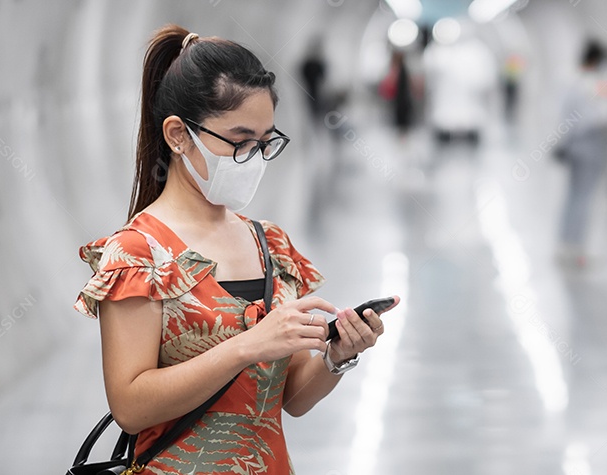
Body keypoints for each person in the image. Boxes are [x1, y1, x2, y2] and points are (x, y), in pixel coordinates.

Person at [72, 25, 398, 473]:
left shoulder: (270, 245)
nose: (256, 158)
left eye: (266, 142)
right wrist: (248, 346)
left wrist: (337, 356)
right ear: (178, 135)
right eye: (240, 142)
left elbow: (291, 400)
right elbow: (131, 405)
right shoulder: (138, 254)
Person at [554, 40, 607, 267]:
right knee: (585, 197)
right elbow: (605, 116)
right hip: (591, 144)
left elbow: (564, 116)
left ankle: (564, 245)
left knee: (572, 197)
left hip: (573, 144)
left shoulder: (571, 80)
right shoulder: (597, 84)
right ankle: (578, 250)